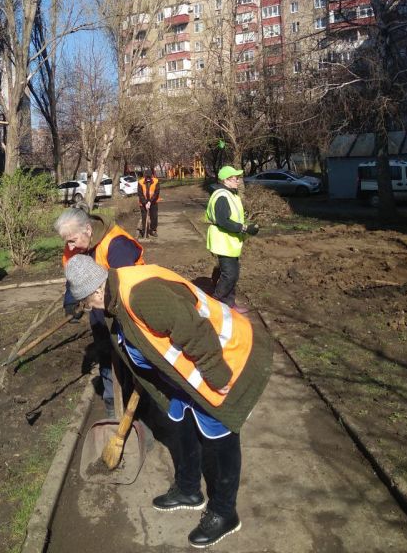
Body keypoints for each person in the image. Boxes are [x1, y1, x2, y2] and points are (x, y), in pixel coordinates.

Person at [65, 254, 272, 549]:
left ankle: (225, 512)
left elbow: (194, 329)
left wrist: (217, 375)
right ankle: (189, 489)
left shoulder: (140, 295)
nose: (91, 310)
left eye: (87, 304)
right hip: (185, 379)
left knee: (222, 434)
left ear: (96, 290)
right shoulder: (118, 297)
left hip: (223, 362)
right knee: (184, 423)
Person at [54, 207, 144, 417]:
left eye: (73, 240)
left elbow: (124, 286)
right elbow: (74, 275)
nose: (69, 246)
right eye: (66, 241)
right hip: (98, 301)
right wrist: (71, 303)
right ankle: (112, 401)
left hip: (130, 302)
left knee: (131, 353)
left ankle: (140, 403)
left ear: (87, 229)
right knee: (104, 349)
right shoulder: (74, 245)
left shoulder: (116, 244)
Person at [205, 166, 259, 308]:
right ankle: (215, 303)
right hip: (223, 240)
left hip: (230, 241)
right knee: (230, 275)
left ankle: (229, 304)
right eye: (235, 178)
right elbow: (223, 220)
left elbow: (233, 217)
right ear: (226, 180)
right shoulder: (222, 196)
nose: (238, 180)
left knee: (232, 274)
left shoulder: (231, 194)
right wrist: (245, 228)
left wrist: (245, 227)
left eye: (238, 177)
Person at [138, 169, 160, 238]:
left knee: (154, 217)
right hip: (143, 203)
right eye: (147, 177)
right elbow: (140, 194)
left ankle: (153, 230)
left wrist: (150, 201)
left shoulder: (156, 181)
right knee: (144, 218)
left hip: (153, 202)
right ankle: (145, 232)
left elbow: (156, 193)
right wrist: (145, 203)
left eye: (149, 177)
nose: (148, 178)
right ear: (145, 176)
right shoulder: (140, 182)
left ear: (151, 176)